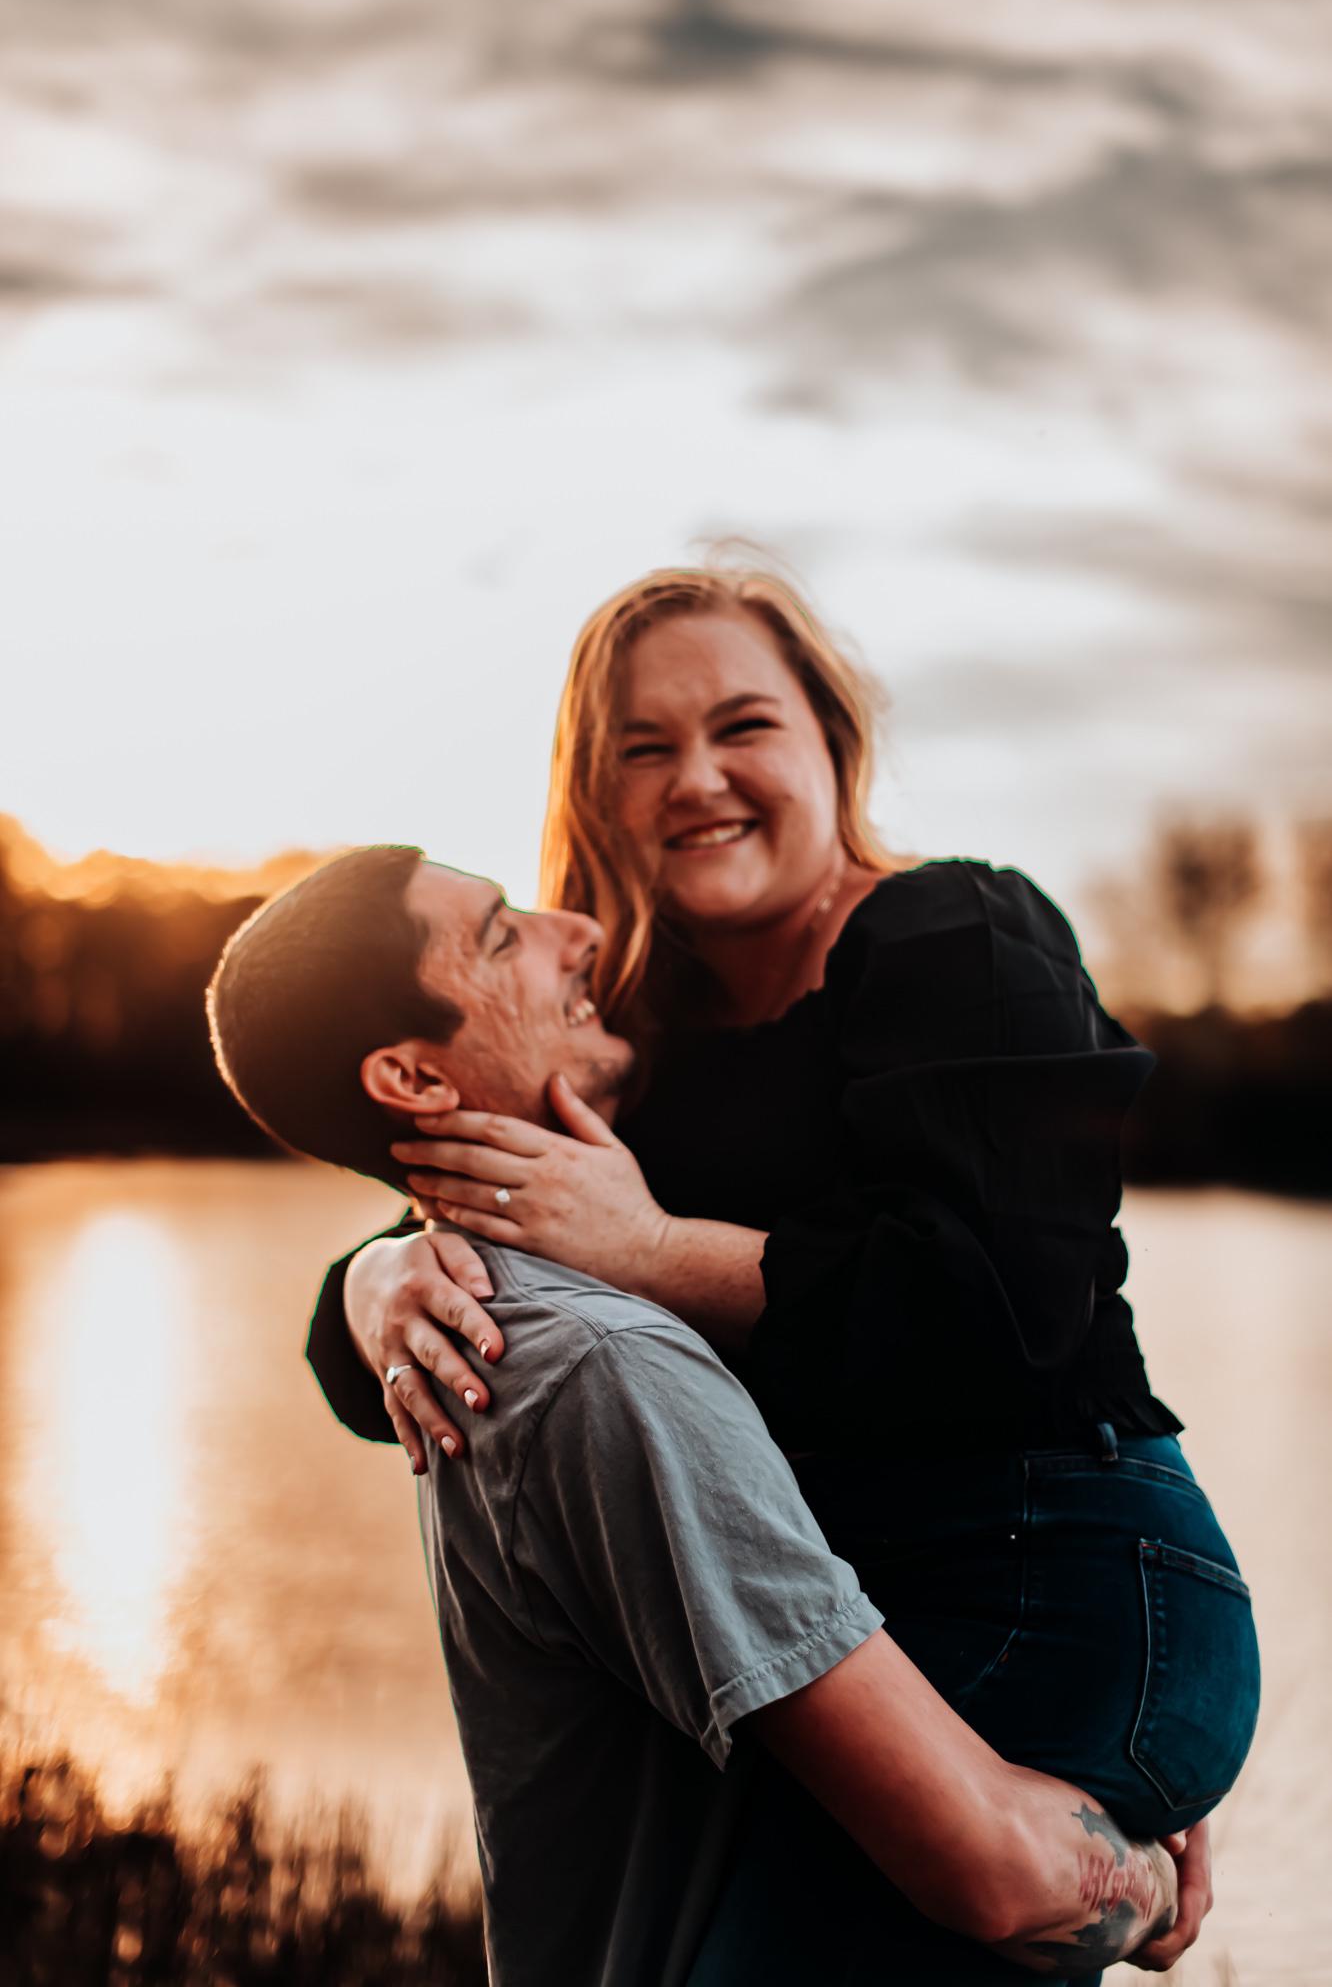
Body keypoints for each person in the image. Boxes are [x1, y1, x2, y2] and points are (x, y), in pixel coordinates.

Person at [304, 566, 1259, 1973]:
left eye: (743, 725)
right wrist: (372, 1285)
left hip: (1052, 1567)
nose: (698, 778)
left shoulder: (958, 937)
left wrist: (651, 1251)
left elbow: (1003, 1312)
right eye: (645, 747)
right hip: (839, 1629)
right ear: (597, 791)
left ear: (831, 741)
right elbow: (470, 1284)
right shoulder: (628, 1034)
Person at [206, 845, 1194, 1987]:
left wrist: (1128, 1710)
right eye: (502, 931)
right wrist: (1146, 1873)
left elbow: (1011, 1305)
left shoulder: (530, 1323)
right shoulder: (581, 1354)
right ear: (412, 1079)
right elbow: (999, 1869)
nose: (576, 931)